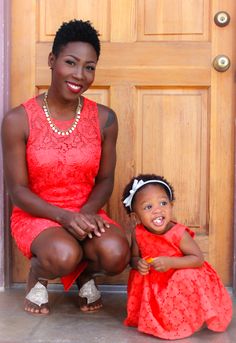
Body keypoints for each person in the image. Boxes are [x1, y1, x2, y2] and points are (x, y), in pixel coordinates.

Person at [1, 19, 130, 315]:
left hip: (86, 210)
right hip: (37, 214)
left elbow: (106, 179)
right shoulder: (17, 120)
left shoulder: (105, 119)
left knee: (116, 253)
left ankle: (85, 274)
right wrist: (63, 217)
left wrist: (84, 214)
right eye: (71, 62)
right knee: (62, 253)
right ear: (52, 60)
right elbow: (18, 191)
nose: (79, 75)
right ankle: (39, 275)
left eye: (89, 67)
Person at [122, 173, 232, 340]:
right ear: (135, 216)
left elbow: (197, 259)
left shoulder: (178, 233)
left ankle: (189, 319)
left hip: (180, 276)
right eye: (148, 207)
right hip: (156, 280)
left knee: (184, 275)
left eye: (163, 203)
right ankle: (157, 318)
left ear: (171, 205)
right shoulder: (138, 233)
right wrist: (139, 264)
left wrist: (170, 262)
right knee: (138, 275)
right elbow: (133, 258)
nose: (158, 210)